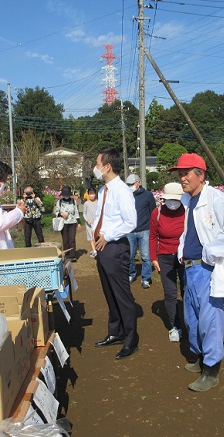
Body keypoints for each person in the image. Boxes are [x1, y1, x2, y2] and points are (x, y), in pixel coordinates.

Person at [169, 153, 224, 392]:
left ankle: (211, 370)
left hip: (206, 269)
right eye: (180, 173)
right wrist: (183, 250)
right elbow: (188, 231)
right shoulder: (189, 200)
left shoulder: (216, 199)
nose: (182, 178)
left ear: (200, 175)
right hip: (190, 268)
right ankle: (200, 357)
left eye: (186, 173)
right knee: (191, 318)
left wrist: (208, 254)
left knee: (209, 319)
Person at [92, 149, 139, 360]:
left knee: (122, 294)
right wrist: (93, 237)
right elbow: (99, 216)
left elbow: (130, 222)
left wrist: (108, 236)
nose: (95, 167)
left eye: (97, 163)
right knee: (109, 293)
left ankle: (131, 338)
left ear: (107, 166)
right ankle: (115, 332)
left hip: (115, 246)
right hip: (102, 246)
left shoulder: (121, 190)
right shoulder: (103, 190)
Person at [149, 182, 186, 342]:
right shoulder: (157, 213)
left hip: (185, 257)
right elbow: (152, 237)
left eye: (175, 200)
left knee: (187, 291)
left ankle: (189, 323)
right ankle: (174, 326)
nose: (172, 203)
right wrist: (153, 258)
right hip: (165, 257)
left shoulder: (187, 212)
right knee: (170, 293)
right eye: (169, 199)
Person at [125, 173, 156, 289]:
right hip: (130, 231)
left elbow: (153, 211)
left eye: (132, 184)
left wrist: (153, 228)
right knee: (130, 255)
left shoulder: (148, 195)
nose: (130, 186)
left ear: (139, 182)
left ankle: (146, 278)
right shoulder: (126, 195)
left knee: (146, 256)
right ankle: (131, 274)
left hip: (144, 230)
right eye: (128, 184)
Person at [54, 185, 81, 262]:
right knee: (65, 240)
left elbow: (76, 212)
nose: (66, 196)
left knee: (72, 239)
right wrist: (61, 214)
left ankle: (72, 255)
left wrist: (78, 222)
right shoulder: (59, 202)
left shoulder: (73, 201)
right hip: (63, 223)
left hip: (72, 222)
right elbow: (56, 212)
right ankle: (66, 255)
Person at [83, 187, 98, 258]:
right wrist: (87, 220)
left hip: (97, 223)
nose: (92, 195)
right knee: (91, 238)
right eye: (90, 194)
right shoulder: (86, 203)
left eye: (93, 194)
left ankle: (97, 249)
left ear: (95, 194)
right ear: (88, 195)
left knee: (96, 236)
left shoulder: (98, 202)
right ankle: (94, 251)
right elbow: (84, 213)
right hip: (89, 224)